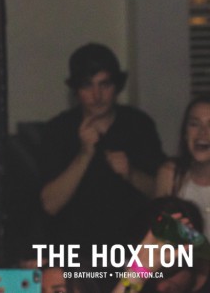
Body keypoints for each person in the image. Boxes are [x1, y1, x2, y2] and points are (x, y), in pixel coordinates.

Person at [39, 43, 165, 267]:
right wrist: (84, 154)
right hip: (75, 256)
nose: (97, 95)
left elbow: (162, 194)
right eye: (88, 86)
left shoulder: (138, 125)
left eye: (104, 84)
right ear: (76, 90)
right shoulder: (58, 130)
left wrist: (131, 174)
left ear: (116, 86)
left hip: (131, 253)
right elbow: (49, 204)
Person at [157, 95, 210, 238]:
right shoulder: (171, 175)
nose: (202, 132)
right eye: (194, 124)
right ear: (185, 133)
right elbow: (157, 238)